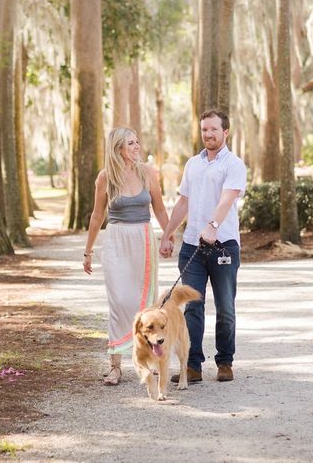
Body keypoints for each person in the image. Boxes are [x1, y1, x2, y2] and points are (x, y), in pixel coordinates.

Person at [160, 109, 247, 384]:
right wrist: (167, 234)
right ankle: (193, 365)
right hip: (192, 249)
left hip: (223, 247)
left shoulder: (233, 164)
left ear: (225, 132)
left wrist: (212, 225)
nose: (208, 134)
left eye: (213, 129)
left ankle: (225, 362)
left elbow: (227, 200)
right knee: (192, 308)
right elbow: (183, 202)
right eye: (204, 130)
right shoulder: (192, 165)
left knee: (225, 308)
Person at [83, 127, 170, 386]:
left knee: (145, 304)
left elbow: (160, 208)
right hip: (116, 241)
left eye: (136, 142)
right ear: (118, 148)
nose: (136, 147)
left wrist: (168, 235)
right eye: (130, 143)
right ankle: (115, 366)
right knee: (119, 302)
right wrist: (88, 251)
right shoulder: (106, 177)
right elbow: (97, 216)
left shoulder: (147, 173)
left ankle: (148, 360)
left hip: (142, 239)